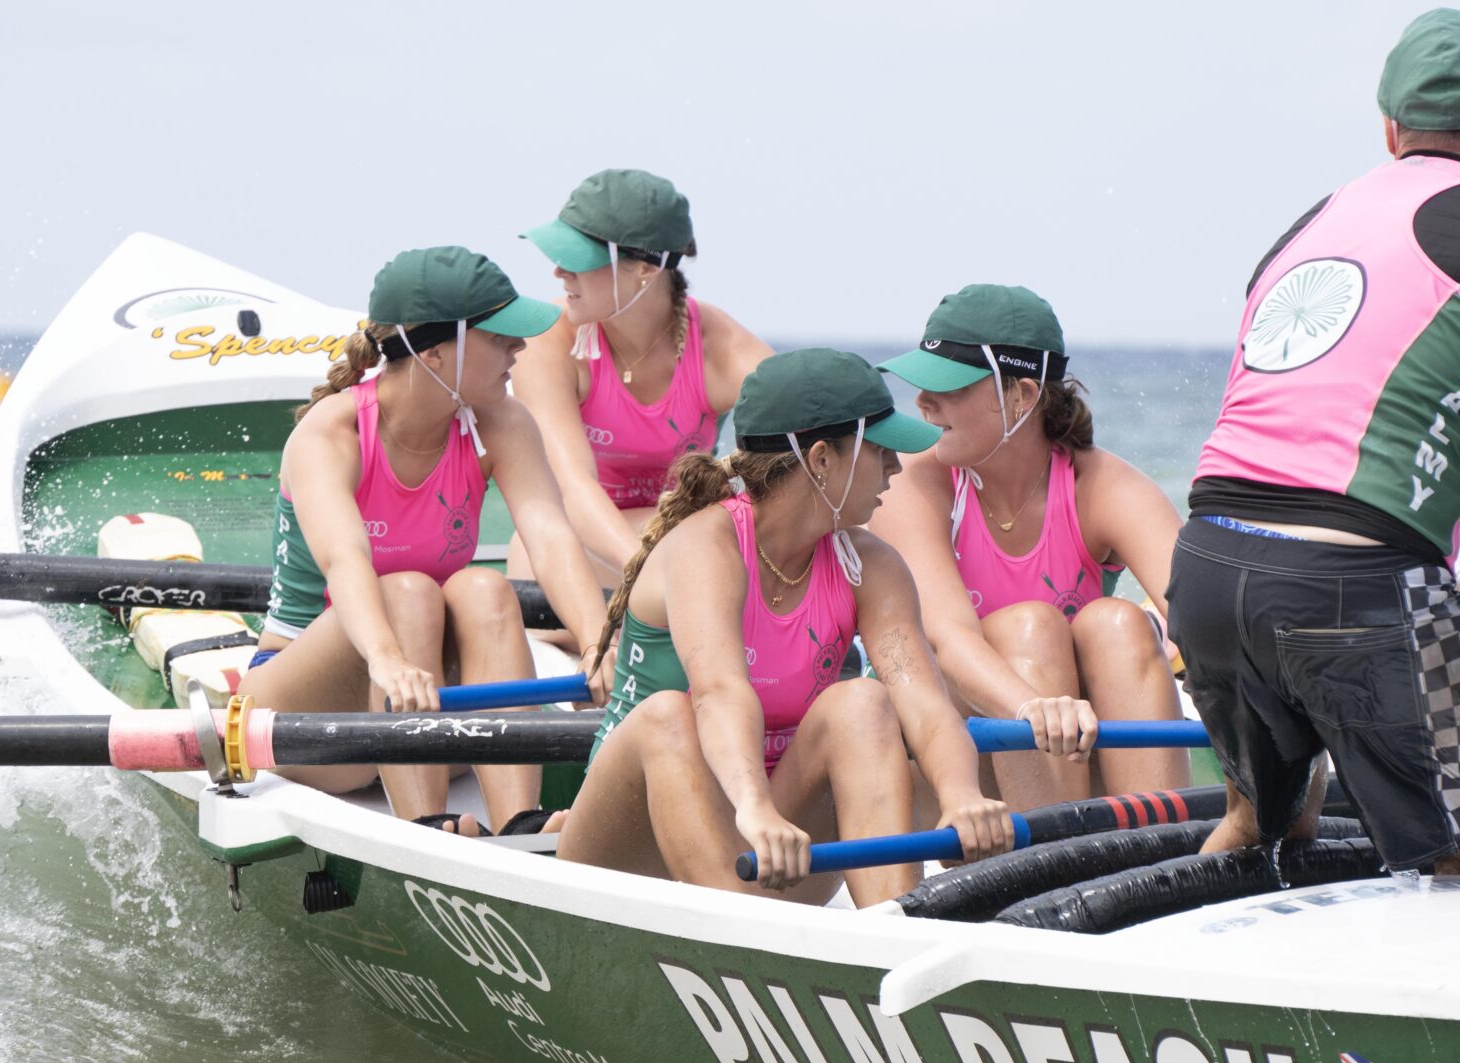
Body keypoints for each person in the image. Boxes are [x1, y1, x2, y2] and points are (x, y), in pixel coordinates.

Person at [1169, 8, 1460, 878]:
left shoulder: (1310, 223)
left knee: (1267, 825)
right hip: (1355, 589)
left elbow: (1301, 433)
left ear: (1391, 129)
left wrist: (1427, 580)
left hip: (1208, 572)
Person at [556, 349, 1012, 907]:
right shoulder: (708, 546)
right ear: (822, 458)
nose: (896, 467)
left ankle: (894, 935)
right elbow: (720, 692)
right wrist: (754, 807)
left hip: (768, 845)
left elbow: (925, 706)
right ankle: (744, 939)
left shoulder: (873, 565)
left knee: (863, 703)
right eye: (880, 449)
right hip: (631, 848)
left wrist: (961, 795)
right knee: (669, 716)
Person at [240, 246, 615, 835]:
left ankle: (520, 821)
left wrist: (597, 643)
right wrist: (387, 660)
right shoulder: (331, 434)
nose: (520, 348)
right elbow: (346, 561)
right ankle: (423, 826)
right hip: (308, 709)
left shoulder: (502, 422)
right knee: (410, 592)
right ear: (436, 351)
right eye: (501, 337)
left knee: (486, 588)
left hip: (428, 705)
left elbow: (550, 536)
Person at [870, 286, 1189, 808]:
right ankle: (1056, 858)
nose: (922, 402)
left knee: (1120, 625)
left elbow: (1205, 615)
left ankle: (1158, 849)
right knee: (1031, 628)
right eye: (922, 383)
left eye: (947, 387)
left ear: (1022, 394)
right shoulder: (910, 483)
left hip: (1064, 750)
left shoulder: (1104, 487)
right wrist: (1034, 707)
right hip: (948, 758)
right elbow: (947, 639)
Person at [510, 169, 772, 600]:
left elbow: (814, 454)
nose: (558, 271)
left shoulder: (722, 351)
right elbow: (573, 489)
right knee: (535, 542)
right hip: (579, 550)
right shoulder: (546, 341)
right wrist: (650, 579)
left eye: (575, 257)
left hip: (679, 543)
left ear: (646, 269)